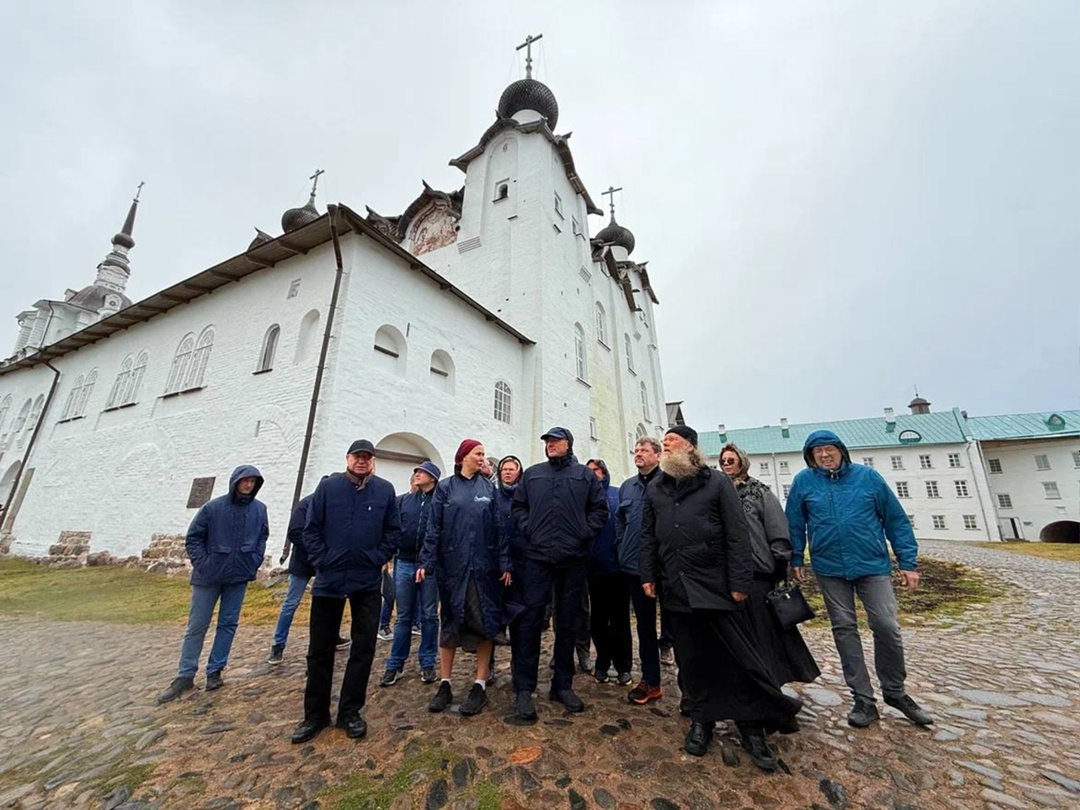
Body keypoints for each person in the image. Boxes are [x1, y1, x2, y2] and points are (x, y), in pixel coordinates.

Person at [641, 427, 801, 771]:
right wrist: (648, 575)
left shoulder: (716, 483)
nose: (665, 443)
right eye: (664, 440)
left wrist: (740, 581)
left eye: (672, 440)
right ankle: (702, 720)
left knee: (735, 657)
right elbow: (648, 535)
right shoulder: (656, 487)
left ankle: (751, 726)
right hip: (676, 587)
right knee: (692, 658)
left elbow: (737, 534)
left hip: (716, 586)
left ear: (691, 448)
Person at [786, 430, 933, 729]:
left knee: (886, 626)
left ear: (841, 450)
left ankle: (895, 691)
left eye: (829, 449)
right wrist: (796, 557)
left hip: (872, 565)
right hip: (830, 567)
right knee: (844, 629)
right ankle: (863, 698)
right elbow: (794, 522)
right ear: (810, 456)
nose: (824, 455)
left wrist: (908, 562)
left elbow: (895, 520)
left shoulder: (868, 478)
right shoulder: (804, 481)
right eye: (817, 451)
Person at [290, 440, 400, 744]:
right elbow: (309, 529)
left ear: (373, 461)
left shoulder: (384, 491)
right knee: (320, 650)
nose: (362, 461)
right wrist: (322, 560)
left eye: (367, 457)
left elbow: (393, 531)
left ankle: (350, 711)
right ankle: (315, 715)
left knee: (363, 648)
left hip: (365, 580)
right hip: (329, 580)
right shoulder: (329, 488)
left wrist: (377, 557)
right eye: (357, 456)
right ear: (348, 458)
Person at [511, 427, 608, 720]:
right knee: (531, 621)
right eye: (547, 441)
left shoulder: (583, 475)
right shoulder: (533, 474)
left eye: (555, 441)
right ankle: (524, 689)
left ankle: (562, 685)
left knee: (568, 623)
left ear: (569, 444)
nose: (550, 445)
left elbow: (599, 510)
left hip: (572, 559)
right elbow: (518, 507)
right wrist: (530, 530)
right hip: (538, 559)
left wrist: (583, 534)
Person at [157, 465, 268, 703]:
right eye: (244, 481)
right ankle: (185, 675)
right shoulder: (213, 508)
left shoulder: (259, 510)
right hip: (209, 576)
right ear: (235, 482)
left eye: (252, 482)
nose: (248, 485)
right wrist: (204, 564)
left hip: (239, 575)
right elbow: (194, 537)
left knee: (228, 624)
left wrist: (255, 560)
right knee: (197, 625)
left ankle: (215, 670)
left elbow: (262, 536)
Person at [719, 444, 820, 707]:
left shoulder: (758, 492)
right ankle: (746, 687)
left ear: (742, 461)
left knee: (764, 635)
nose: (727, 464)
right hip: (729, 574)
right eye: (723, 460)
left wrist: (779, 561)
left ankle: (772, 687)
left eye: (731, 460)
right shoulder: (718, 491)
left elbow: (776, 527)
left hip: (759, 572)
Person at [420, 440, 511, 716]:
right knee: (450, 624)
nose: (483, 458)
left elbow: (500, 528)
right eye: (478, 454)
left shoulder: (489, 489)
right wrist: (426, 561)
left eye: (484, 453)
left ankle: (479, 683)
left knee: (483, 622)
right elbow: (433, 526)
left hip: (484, 569)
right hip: (453, 567)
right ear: (463, 458)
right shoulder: (446, 487)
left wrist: (505, 563)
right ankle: (445, 683)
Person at [269, 477, 351, 664]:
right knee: (291, 603)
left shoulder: (337, 506)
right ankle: (278, 644)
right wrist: (317, 550)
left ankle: (333, 636)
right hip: (304, 562)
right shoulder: (306, 504)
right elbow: (296, 531)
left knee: (332, 602)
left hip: (328, 564)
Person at [614, 436, 666, 705]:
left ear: (658, 455)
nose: (638, 454)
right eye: (636, 450)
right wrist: (622, 545)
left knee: (677, 629)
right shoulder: (627, 487)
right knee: (645, 628)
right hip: (634, 567)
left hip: (667, 568)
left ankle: (691, 687)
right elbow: (620, 521)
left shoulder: (669, 484)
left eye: (644, 450)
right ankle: (651, 681)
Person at [380, 461, 441, 686]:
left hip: (430, 566)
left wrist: (429, 562)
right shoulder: (404, 501)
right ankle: (394, 664)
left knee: (429, 616)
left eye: (422, 472)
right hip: (405, 562)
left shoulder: (439, 501)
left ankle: (427, 662)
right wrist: (389, 555)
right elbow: (394, 529)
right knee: (403, 616)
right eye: (415, 471)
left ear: (433, 478)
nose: (417, 474)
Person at [585, 459, 631, 686]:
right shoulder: (583, 498)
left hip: (619, 567)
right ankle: (602, 662)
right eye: (589, 471)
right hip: (594, 568)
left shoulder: (616, 494)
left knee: (620, 619)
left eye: (596, 470)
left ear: (604, 472)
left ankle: (624, 666)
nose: (593, 474)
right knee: (599, 620)